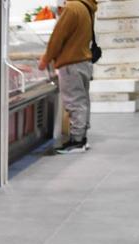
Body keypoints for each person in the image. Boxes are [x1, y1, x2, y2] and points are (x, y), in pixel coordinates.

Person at [40, 0, 98, 155]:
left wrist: (46, 59)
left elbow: (57, 37)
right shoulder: (87, 6)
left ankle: (77, 141)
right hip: (84, 61)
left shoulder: (72, 7)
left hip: (71, 63)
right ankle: (82, 137)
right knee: (82, 101)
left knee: (74, 102)